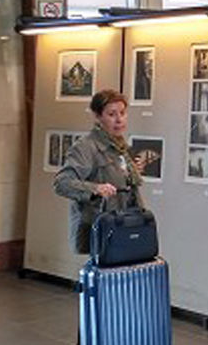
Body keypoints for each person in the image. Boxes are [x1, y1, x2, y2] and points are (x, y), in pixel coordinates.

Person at [54, 90, 144, 255]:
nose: (119, 119)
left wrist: (129, 174)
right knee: (103, 278)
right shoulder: (86, 147)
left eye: (122, 113)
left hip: (124, 225)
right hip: (99, 229)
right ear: (98, 116)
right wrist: (94, 189)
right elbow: (62, 183)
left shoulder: (121, 147)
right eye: (111, 114)